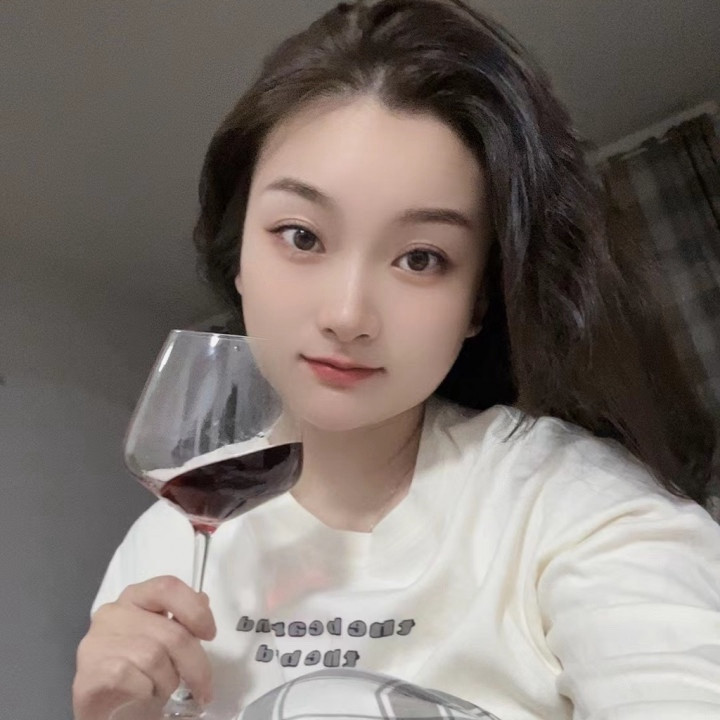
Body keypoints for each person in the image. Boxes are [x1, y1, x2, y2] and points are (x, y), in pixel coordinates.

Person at [72, 1, 720, 719]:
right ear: (239, 261)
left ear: (477, 302)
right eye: (302, 236)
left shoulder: (570, 508)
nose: (348, 315)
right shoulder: (166, 542)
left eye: (421, 258)